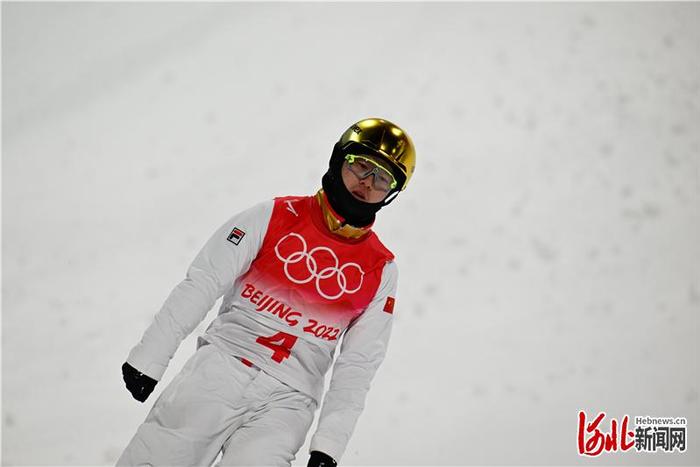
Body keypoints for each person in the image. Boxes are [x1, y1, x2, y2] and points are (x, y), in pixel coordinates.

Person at [117, 117, 416, 467]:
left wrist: (329, 444)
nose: (365, 184)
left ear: (392, 193)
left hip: (288, 401)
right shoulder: (274, 215)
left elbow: (359, 364)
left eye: (382, 179)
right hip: (221, 367)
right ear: (339, 159)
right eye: (361, 166)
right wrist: (149, 358)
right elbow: (204, 281)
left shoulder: (380, 269)